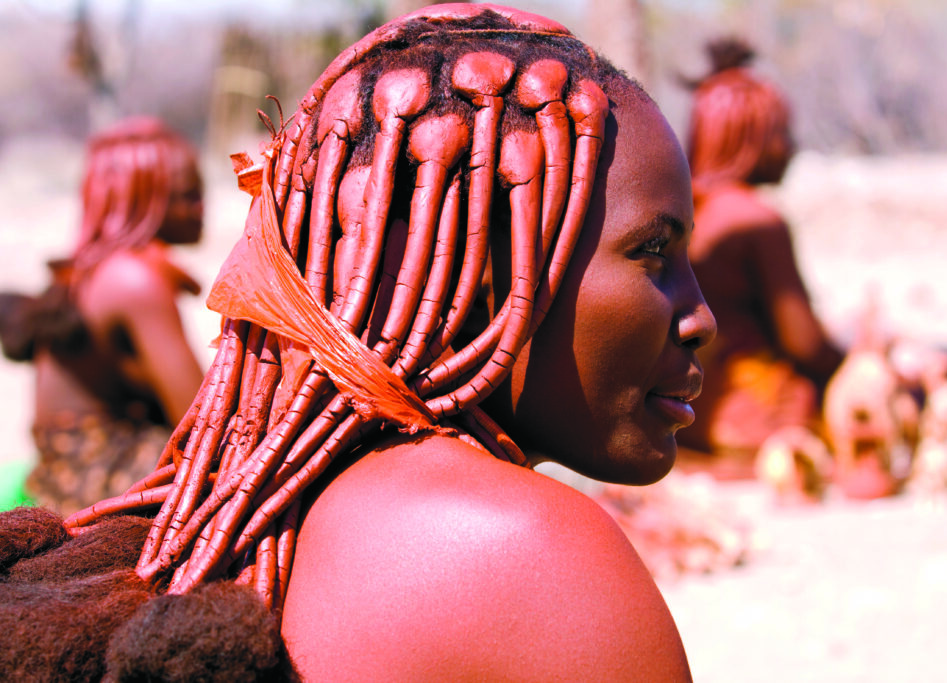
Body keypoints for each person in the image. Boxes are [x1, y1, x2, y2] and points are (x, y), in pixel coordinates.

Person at [0, 5, 714, 680]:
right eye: (653, 250)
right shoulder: (536, 554)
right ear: (479, 271)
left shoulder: (270, 524)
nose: (701, 317)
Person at [0, 117, 205, 516]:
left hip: (66, 470)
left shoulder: (94, 270)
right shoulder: (135, 279)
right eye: (187, 195)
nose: (202, 207)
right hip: (101, 476)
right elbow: (201, 425)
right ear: (143, 201)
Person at [674, 37, 842, 480]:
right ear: (749, 139)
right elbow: (806, 346)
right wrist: (858, 357)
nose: (790, 147)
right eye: (781, 133)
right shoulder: (758, 220)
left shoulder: (682, 213)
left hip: (688, 419)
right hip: (760, 425)